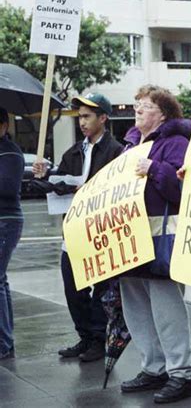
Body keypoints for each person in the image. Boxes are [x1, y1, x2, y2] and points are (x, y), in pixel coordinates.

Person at [119, 85, 191, 405]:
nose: (137, 109)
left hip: (161, 235)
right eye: (136, 104)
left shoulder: (176, 143)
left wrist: (155, 169)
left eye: (145, 105)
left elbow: (184, 188)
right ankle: (153, 366)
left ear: (163, 113)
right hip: (130, 236)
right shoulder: (130, 144)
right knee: (135, 305)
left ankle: (181, 373)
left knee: (167, 308)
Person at [33, 92, 123, 362]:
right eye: (80, 117)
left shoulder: (116, 151)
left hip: (101, 231)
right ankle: (86, 337)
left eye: (87, 116)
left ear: (103, 118)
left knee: (102, 288)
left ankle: (98, 338)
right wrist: (45, 174)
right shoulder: (73, 151)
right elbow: (57, 180)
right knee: (73, 287)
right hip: (73, 231)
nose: (82, 122)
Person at [0, 107, 25, 359]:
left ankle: (4, 344)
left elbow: (6, 188)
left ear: (4, 126)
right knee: (1, 280)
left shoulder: (10, 152)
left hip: (6, 221)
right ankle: (5, 341)